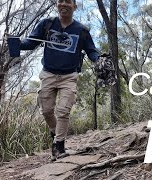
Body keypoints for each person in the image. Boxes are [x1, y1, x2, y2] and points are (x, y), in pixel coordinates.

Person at [19, 0, 100, 161]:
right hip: (48, 74)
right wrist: (18, 43)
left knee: (63, 111)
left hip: (69, 77)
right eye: (60, 1)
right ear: (56, 5)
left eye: (68, 2)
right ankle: (55, 133)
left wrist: (100, 59)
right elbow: (31, 43)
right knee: (46, 111)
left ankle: (59, 146)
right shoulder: (47, 24)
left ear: (74, 7)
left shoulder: (81, 31)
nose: (64, 4)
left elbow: (91, 51)